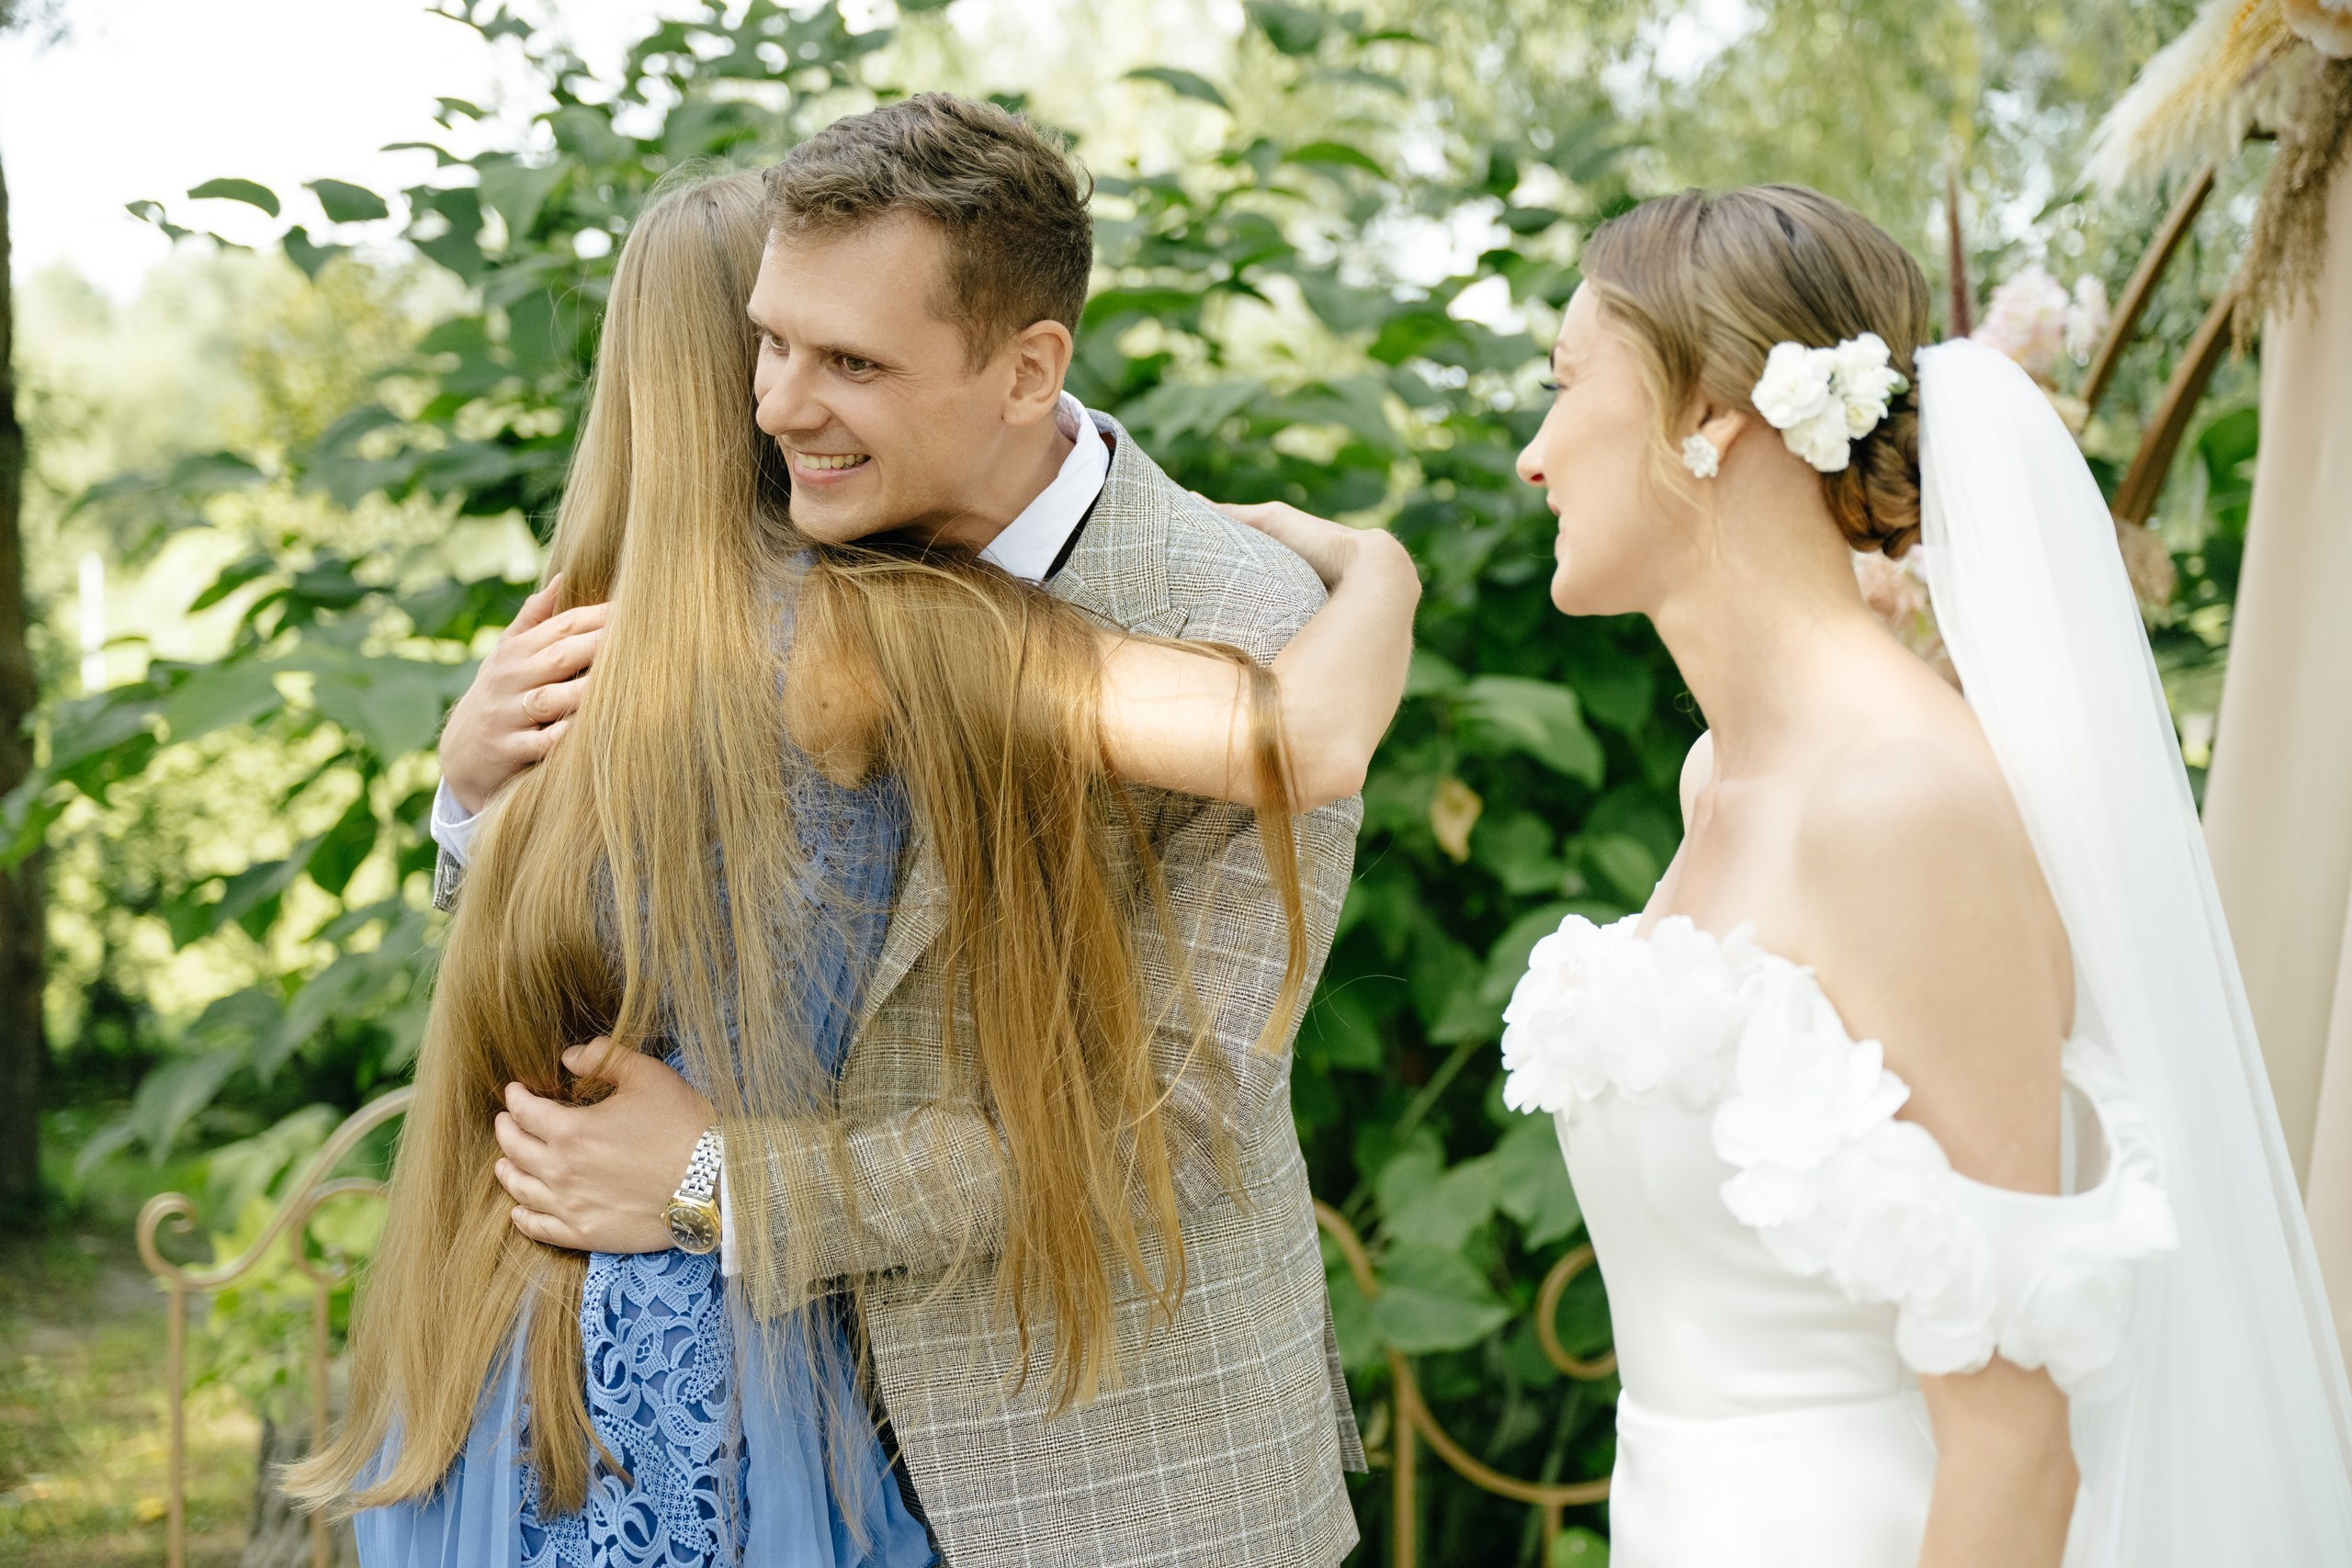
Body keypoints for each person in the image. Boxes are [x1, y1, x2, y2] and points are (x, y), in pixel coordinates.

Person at [296, 96, 1410, 1568]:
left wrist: (717, 1185)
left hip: (1104, 1481)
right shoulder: (776, 563)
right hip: (745, 1434)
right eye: (767, 342)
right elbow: (630, 918)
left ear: (1026, 371)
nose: (775, 407)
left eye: (852, 363)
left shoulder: (1241, 619)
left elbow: (1169, 1129)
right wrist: (472, 793)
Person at [1498, 184, 2352, 1566]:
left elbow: (2017, 1446)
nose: (1534, 457)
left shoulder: (1904, 808)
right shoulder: (1717, 783)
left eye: (1565, 386)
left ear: (1713, 409)